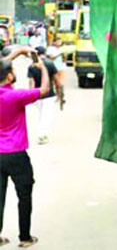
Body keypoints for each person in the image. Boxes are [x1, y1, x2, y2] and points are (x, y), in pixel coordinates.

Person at [0, 49, 50, 247]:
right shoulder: (16, 96)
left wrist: (19, 52)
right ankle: (25, 237)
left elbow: (1, 67)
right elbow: (45, 90)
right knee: (24, 196)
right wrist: (42, 67)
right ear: (10, 76)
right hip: (16, 155)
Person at [27, 47, 59, 145]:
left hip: (37, 95)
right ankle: (42, 135)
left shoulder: (32, 66)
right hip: (49, 95)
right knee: (46, 116)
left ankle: (42, 133)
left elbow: (31, 82)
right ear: (44, 52)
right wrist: (59, 92)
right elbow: (56, 80)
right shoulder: (50, 63)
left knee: (41, 115)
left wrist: (30, 96)